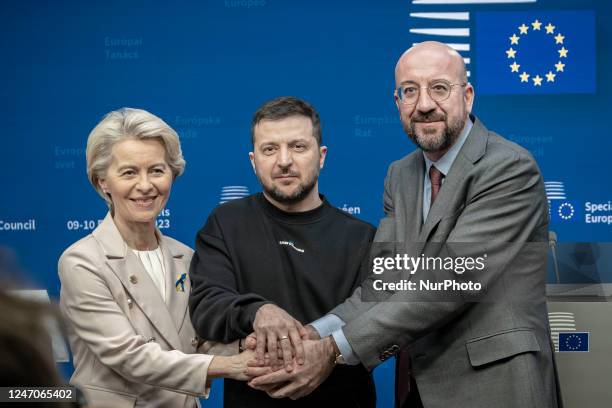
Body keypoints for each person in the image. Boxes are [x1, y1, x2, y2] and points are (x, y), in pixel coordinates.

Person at [247, 42, 561, 408]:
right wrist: (309, 335)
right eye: (410, 91)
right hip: (418, 388)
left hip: (496, 387)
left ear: (468, 96)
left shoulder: (508, 167)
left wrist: (332, 350)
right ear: (397, 103)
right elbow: (385, 282)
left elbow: (451, 281)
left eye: (439, 88)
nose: (424, 104)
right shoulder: (400, 175)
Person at [58, 108, 265, 408]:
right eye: (129, 172)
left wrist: (244, 347)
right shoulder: (82, 261)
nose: (145, 185)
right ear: (103, 181)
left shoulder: (186, 256)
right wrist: (232, 366)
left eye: (156, 170)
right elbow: (129, 356)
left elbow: (195, 342)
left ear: (172, 174)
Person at [189, 96, 377, 407]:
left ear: (321, 156)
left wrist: (328, 351)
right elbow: (206, 304)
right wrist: (258, 311)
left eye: (298, 146)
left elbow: (379, 320)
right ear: (253, 161)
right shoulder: (225, 223)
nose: (284, 160)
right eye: (270, 149)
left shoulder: (363, 237)